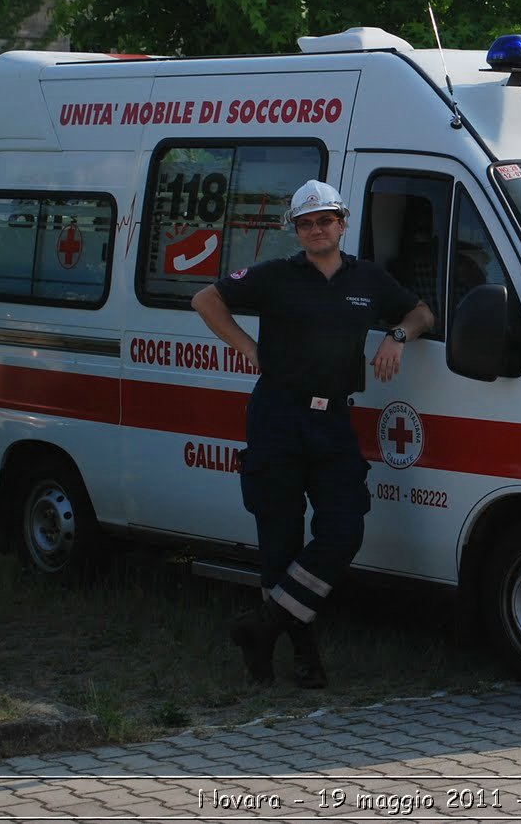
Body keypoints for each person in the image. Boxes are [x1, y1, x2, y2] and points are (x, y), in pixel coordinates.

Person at [192, 179, 434, 687]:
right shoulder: (276, 276)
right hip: (277, 418)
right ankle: (300, 658)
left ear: (342, 224)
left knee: (345, 529)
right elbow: (207, 299)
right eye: (306, 223)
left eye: (325, 220)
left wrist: (396, 336)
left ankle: (263, 626)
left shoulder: (368, 279)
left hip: (332, 422)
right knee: (279, 541)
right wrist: (249, 348)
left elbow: (421, 312)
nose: (317, 229)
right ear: (296, 231)